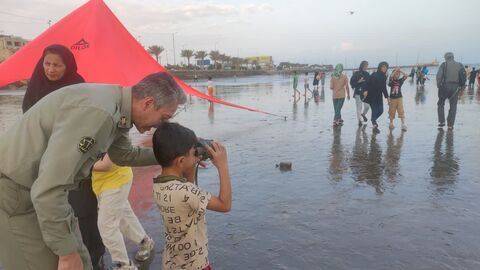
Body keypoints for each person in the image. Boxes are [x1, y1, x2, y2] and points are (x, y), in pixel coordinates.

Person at [0, 71, 186, 270]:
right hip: (18, 196)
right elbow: (48, 189)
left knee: (83, 264)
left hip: (43, 197)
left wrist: (174, 155)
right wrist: (66, 253)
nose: (160, 126)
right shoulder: (100, 113)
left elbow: (124, 155)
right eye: (164, 118)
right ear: (148, 103)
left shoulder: (118, 109)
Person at [21, 44, 105, 269]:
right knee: (50, 211)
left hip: (74, 160)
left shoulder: (78, 86)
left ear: (67, 66)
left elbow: (90, 123)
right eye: (47, 63)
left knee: (83, 213)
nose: (50, 69)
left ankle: (95, 258)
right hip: (43, 160)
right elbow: (27, 122)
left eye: (57, 65)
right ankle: (62, 257)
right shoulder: (36, 85)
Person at [152, 122, 231, 270]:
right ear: (181, 161)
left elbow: (186, 192)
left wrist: (190, 165)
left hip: (172, 262)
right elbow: (224, 204)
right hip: (195, 265)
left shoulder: (158, 183)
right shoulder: (186, 192)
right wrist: (222, 166)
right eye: (194, 153)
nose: (197, 156)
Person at [92, 154, 154, 270]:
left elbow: (106, 165)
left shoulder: (107, 135)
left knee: (106, 226)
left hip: (115, 182)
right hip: (103, 181)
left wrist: (77, 164)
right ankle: (144, 241)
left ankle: (122, 265)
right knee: (124, 216)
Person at [436, 52, 466, 130]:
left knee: (440, 103)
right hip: (456, 88)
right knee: (453, 106)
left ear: (446, 57)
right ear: (453, 57)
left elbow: (439, 76)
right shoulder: (460, 65)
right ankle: (450, 125)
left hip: (445, 87)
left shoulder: (444, 64)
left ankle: (441, 121)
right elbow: (463, 78)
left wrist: (439, 86)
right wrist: (462, 89)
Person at [364, 61, 389, 132]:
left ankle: (373, 119)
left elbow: (384, 87)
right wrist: (365, 90)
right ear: (380, 67)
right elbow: (367, 82)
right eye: (383, 67)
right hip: (371, 95)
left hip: (379, 96)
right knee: (374, 110)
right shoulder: (374, 74)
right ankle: (374, 124)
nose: (384, 68)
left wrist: (387, 97)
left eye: (386, 67)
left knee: (381, 111)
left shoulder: (384, 76)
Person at [350, 61, 370, 126]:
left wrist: (368, 91)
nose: (366, 67)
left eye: (367, 66)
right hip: (358, 93)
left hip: (365, 93)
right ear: (361, 66)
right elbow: (352, 83)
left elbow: (370, 83)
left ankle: (363, 114)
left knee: (367, 107)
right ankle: (359, 120)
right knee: (359, 107)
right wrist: (358, 81)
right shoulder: (356, 73)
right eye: (365, 66)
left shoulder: (367, 74)